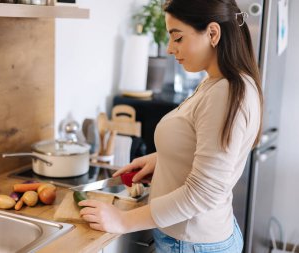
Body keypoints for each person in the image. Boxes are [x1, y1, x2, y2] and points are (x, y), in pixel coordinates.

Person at [78, 0, 263, 252]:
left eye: (177, 38)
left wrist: (122, 220)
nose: (169, 49)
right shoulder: (219, 83)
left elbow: (203, 193)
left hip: (191, 241)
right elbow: (206, 147)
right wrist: (162, 159)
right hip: (198, 236)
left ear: (212, 33)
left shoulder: (224, 92)